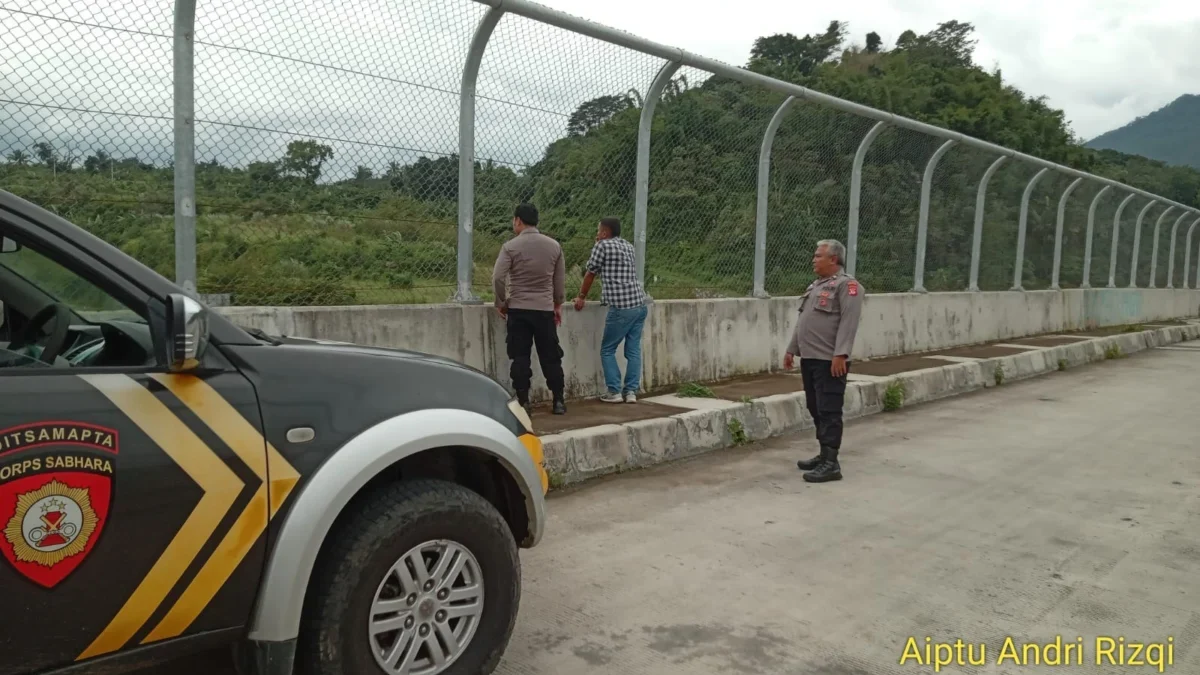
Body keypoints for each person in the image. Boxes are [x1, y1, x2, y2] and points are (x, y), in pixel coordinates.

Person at [783, 239, 864, 483]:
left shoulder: (848, 286)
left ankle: (831, 463)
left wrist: (841, 354)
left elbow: (849, 322)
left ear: (833, 259)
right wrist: (791, 349)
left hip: (830, 360)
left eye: (819, 256)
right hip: (810, 358)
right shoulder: (816, 286)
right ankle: (823, 454)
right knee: (814, 406)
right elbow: (804, 320)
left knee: (829, 409)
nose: (814, 259)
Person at [492, 203, 567, 415]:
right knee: (550, 356)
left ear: (518, 220)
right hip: (544, 309)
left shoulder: (510, 247)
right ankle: (559, 400)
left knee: (520, 356)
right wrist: (557, 304)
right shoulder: (554, 246)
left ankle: (524, 401)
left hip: (518, 309)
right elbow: (559, 281)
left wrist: (501, 303)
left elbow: (497, 277)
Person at [573, 217, 649, 403]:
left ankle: (614, 391)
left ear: (605, 233)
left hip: (621, 307)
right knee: (633, 351)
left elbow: (591, 272)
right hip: (639, 304)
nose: (597, 234)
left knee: (607, 349)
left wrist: (581, 297)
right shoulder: (628, 246)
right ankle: (630, 392)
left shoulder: (602, 246)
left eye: (599, 231)